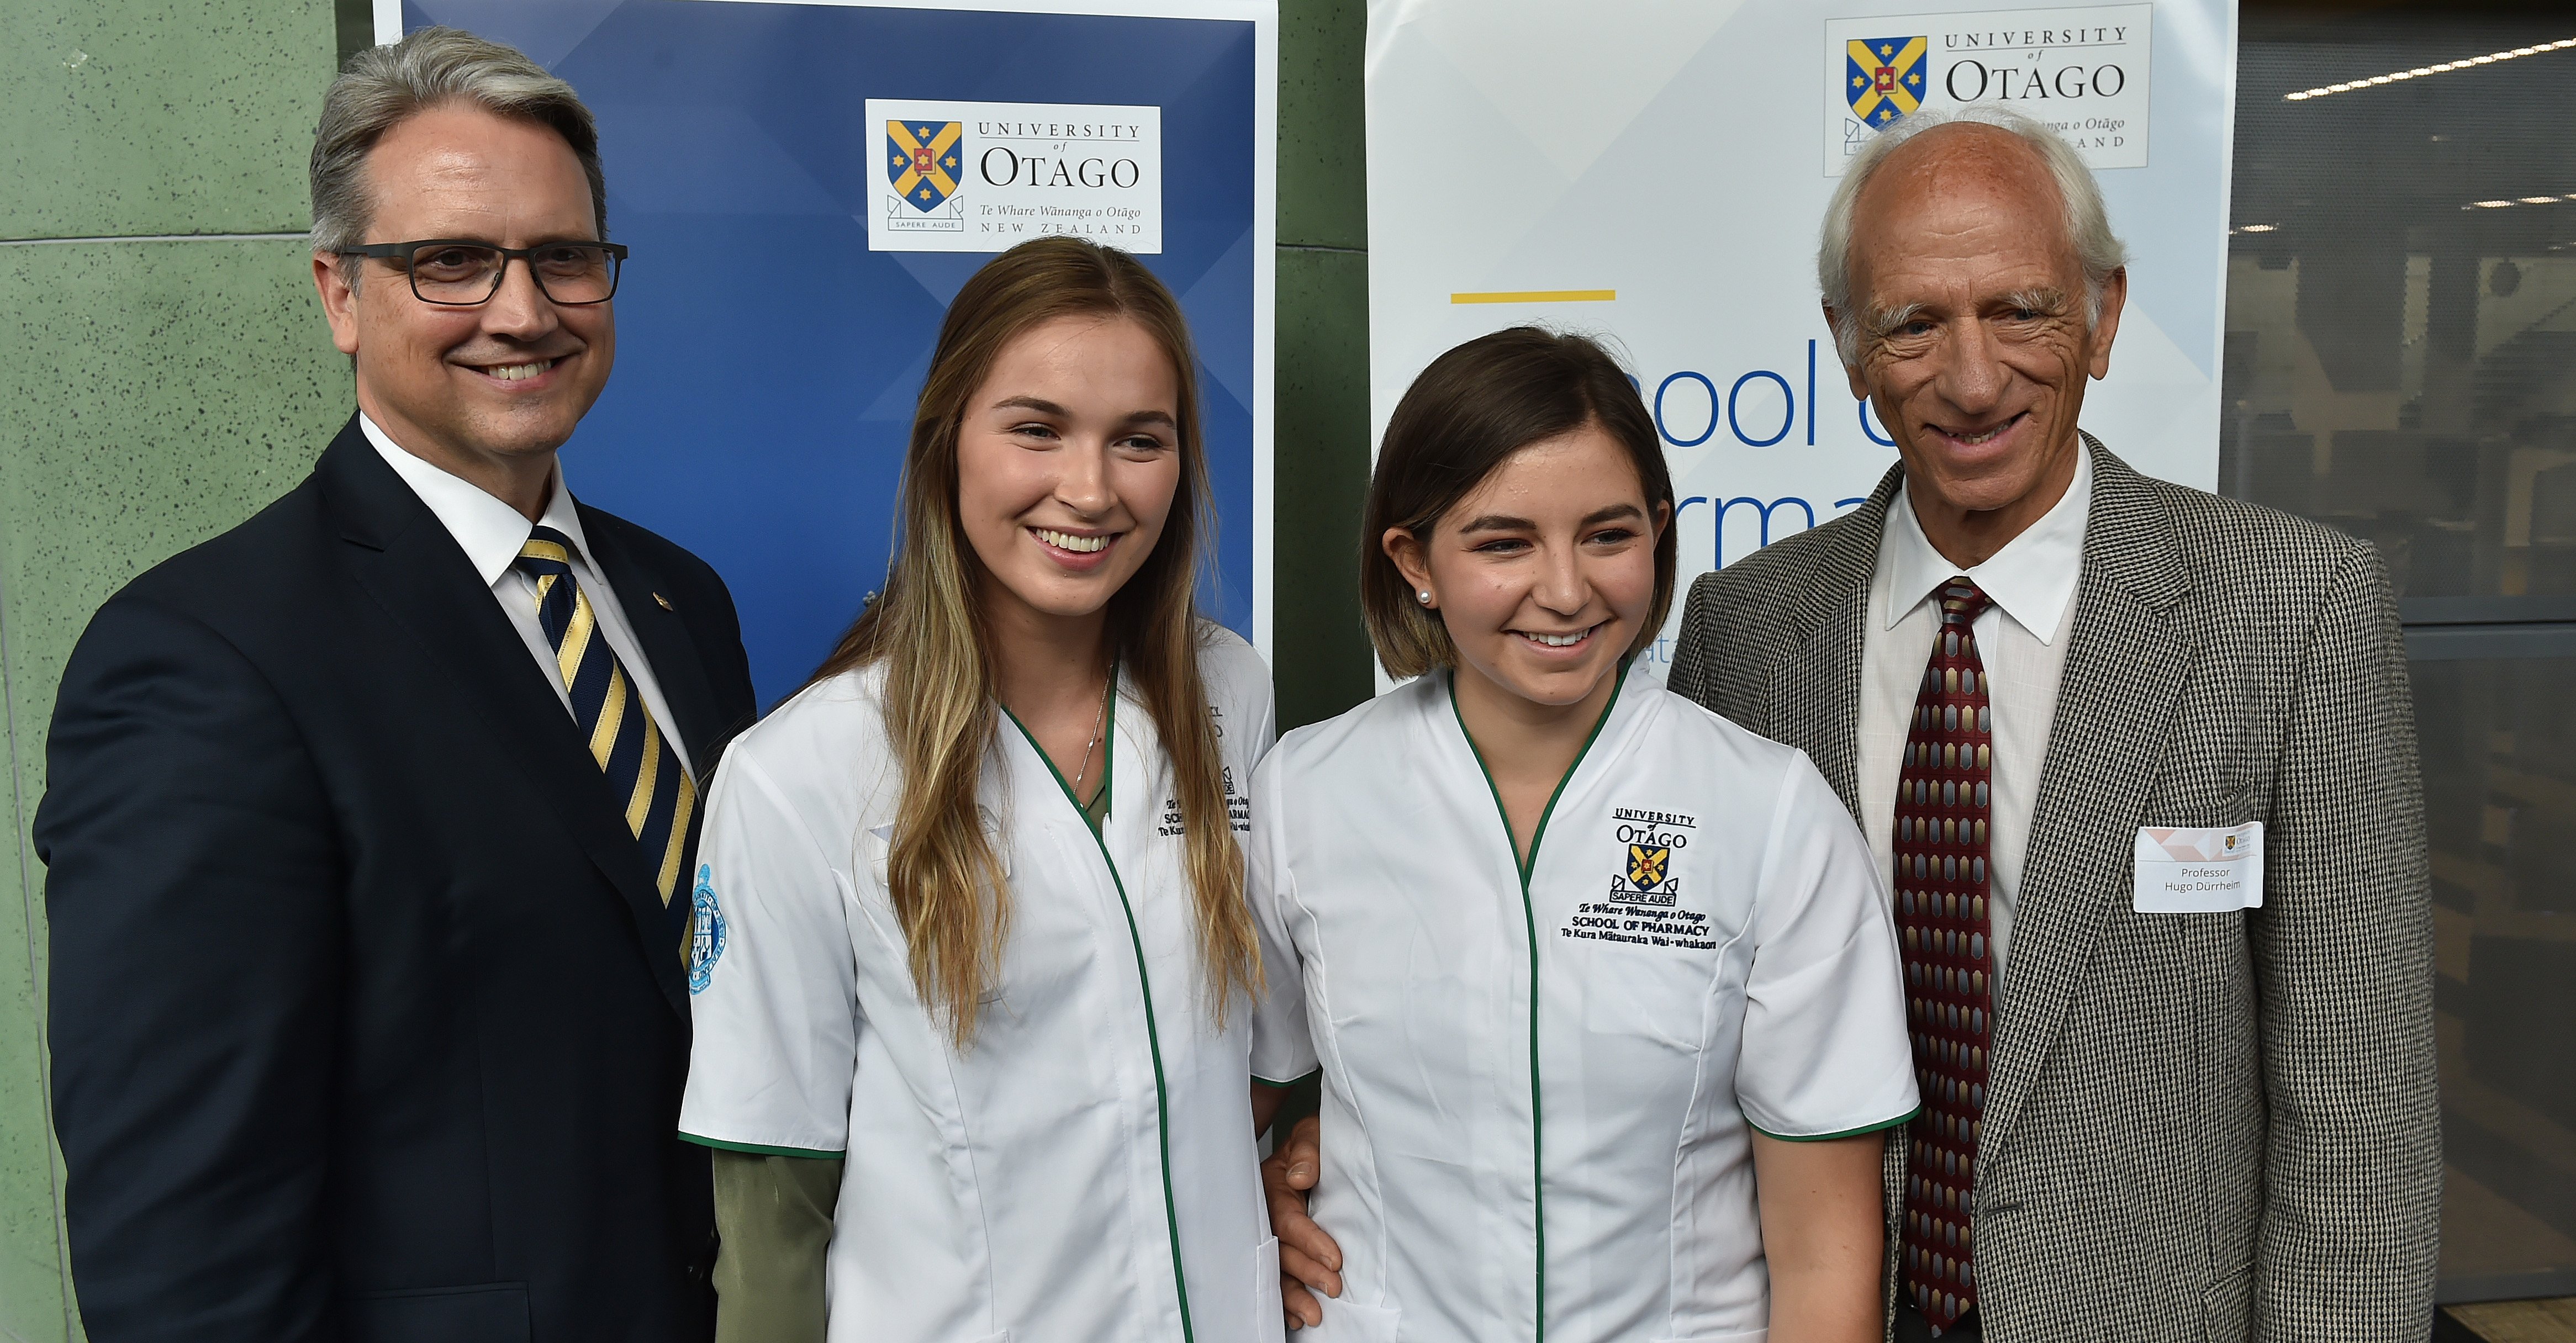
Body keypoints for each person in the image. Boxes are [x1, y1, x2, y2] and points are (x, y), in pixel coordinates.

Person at [1655, 107, 2435, 1341]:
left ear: (2106, 315)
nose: (1972, 379)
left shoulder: (2292, 608)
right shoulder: (1745, 629)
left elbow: (2357, 1093)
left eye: (2021, 309)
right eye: (1914, 322)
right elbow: (1662, 1018)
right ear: (1847, 348)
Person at [35, 25, 756, 1343]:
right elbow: (181, 1248)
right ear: (340, 294)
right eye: (451, 262)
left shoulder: (679, 603)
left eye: (564, 258)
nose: (523, 310)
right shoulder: (203, 659)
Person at [673, 235, 1292, 1343]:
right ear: (945, 440)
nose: (1091, 489)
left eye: (1139, 440)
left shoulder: (1228, 692)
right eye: (1037, 428)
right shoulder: (797, 778)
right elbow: (773, 1215)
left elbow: (1241, 1078)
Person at [1245, 327, 1917, 1343]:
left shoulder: (1768, 811)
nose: (1565, 591)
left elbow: (1825, 1261)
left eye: (1607, 536)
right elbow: (1225, 1095)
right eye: (1503, 542)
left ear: (1658, 531)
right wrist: (1270, 1191)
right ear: (1413, 559)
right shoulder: (1307, 792)